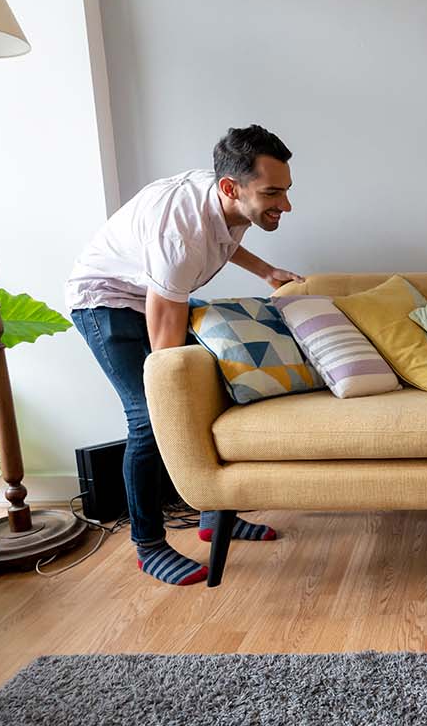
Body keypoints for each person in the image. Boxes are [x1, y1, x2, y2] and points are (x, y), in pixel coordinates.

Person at [65, 125, 305, 584]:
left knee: (217, 395)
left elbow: (224, 235)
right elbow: (165, 343)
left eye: (286, 190)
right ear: (232, 187)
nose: (286, 205)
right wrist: (175, 391)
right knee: (153, 416)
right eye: (273, 193)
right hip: (107, 301)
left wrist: (266, 269)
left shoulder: (218, 196)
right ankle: (148, 545)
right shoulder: (179, 235)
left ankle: (216, 518)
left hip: (154, 291)